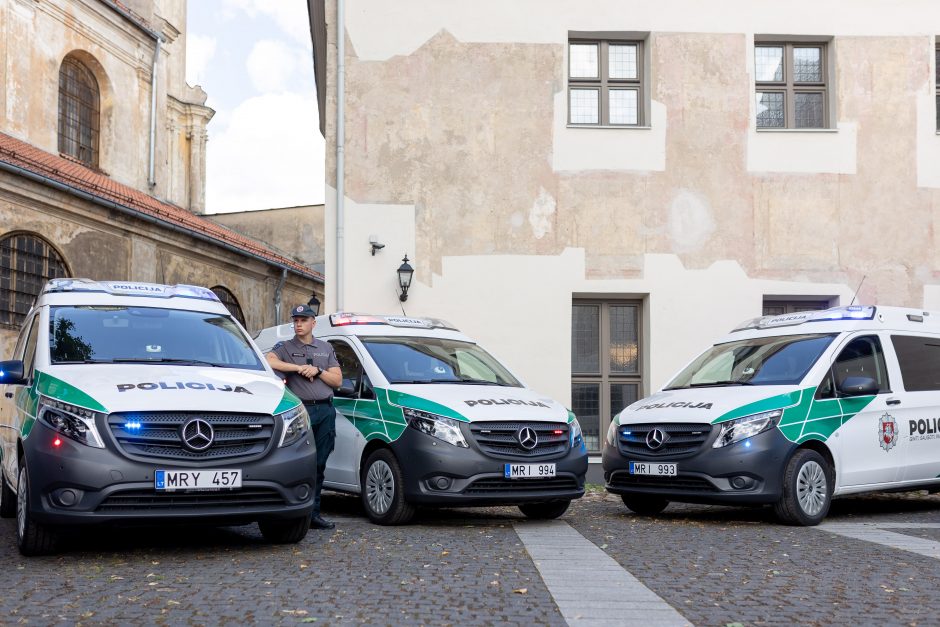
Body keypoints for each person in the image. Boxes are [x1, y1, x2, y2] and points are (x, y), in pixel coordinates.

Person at [266, 304, 342, 530]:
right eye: (296, 320)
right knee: (299, 462)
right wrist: (298, 368)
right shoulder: (285, 347)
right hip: (301, 412)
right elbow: (269, 361)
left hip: (325, 411)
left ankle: (314, 514)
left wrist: (318, 371)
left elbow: (337, 380)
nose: (298, 324)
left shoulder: (325, 348)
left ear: (313, 323)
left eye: (303, 320)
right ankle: (296, 512)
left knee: (319, 464)